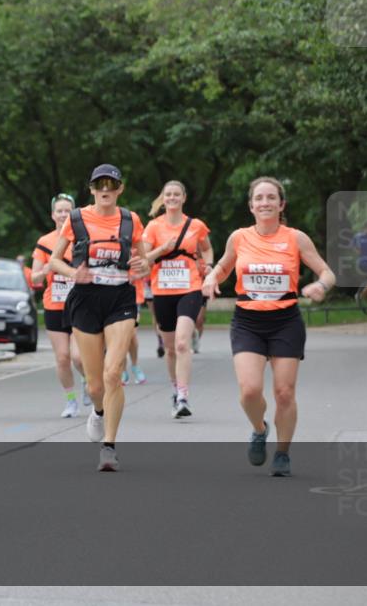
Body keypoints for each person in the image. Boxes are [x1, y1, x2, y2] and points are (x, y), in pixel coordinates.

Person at [202, 177, 335, 477]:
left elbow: (327, 271)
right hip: (248, 321)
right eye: (259, 198)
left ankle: (283, 454)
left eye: (271, 197)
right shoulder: (239, 238)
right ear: (251, 206)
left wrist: (320, 286)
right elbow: (223, 266)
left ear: (281, 204)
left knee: (284, 393)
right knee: (249, 391)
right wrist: (211, 278)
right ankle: (259, 429)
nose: (265, 202)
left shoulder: (295, 238)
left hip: (285, 321)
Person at [49, 165, 148, 472]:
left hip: (120, 297)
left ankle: (109, 446)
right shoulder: (76, 219)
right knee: (95, 385)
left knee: (113, 372)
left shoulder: (131, 220)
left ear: (120, 188)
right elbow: (54, 260)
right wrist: (72, 272)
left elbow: (142, 261)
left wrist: (142, 266)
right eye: (99, 184)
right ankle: (99, 410)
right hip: (86, 299)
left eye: (111, 184)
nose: (105, 189)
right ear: (91, 189)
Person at [143, 180, 213, 418]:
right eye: (168, 194)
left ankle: (183, 396)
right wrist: (162, 248)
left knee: (183, 343)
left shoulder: (196, 226)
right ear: (163, 199)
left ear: (183, 198)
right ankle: (175, 390)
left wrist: (209, 266)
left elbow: (207, 248)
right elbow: (143, 260)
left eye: (176, 194)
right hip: (162, 291)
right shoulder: (153, 227)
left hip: (189, 288)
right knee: (171, 348)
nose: (172, 198)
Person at [31, 193, 85, 418]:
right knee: (62, 357)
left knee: (78, 357)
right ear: (53, 215)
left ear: (74, 213)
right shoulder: (45, 242)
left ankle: (88, 381)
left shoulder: (83, 238)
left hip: (80, 304)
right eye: (59, 211)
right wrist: (44, 272)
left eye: (67, 210)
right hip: (54, 305)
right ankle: (71, 400)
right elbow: (34, 278)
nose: (63, 214)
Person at [121, 279, 148, 386]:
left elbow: (146, 269)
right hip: (113, 298)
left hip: (133, 297)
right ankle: (122, 370)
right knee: (120, 337)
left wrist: (134, 276)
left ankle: (135, 365)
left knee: (131, 334)